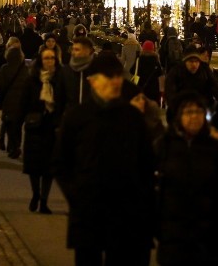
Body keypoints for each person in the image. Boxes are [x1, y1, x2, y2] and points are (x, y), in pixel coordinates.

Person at [53, 51, 156, 266]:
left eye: (118, 75)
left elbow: (146, 163)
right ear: (92, 81)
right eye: (109, 76)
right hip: (88, 213)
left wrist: (138, 197)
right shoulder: (77, 117)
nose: (116, 81)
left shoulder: (132, 118)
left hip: (125, 214)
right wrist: (78, 195)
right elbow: (63, 163)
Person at [154, 91, 218, 266]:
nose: (194, 117)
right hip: (173, 233)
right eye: (188, 112)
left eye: (199, 112)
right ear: (178, 116)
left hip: (208, 233)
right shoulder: (164, 145)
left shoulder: (215, 148)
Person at [20, 46, 66, 214]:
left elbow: (64, 101)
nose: (49, 61)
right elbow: (23, 103)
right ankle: (36, 194)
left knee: (48, 168)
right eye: (46, 58)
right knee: (34, 166)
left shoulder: (60, 79)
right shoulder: (32, 80)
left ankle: (44, 201)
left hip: (52, 127)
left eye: (52, 58)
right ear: (40, 60)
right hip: (35, 126)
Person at [164, 46, 218, 122]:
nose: (194, 64)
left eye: (196, 61)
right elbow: (170, 92)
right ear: (185, 62)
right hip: (183, 108)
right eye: (191, 61)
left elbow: (216, 88)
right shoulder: (176, 72)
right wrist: (176, 109)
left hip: (203, 107)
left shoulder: (205, 70)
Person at [62, 36, 96, 106]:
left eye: (77, 50)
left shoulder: (96, 71)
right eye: (73, 49)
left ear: (88, 51)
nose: (73, 53)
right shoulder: (65, 71)